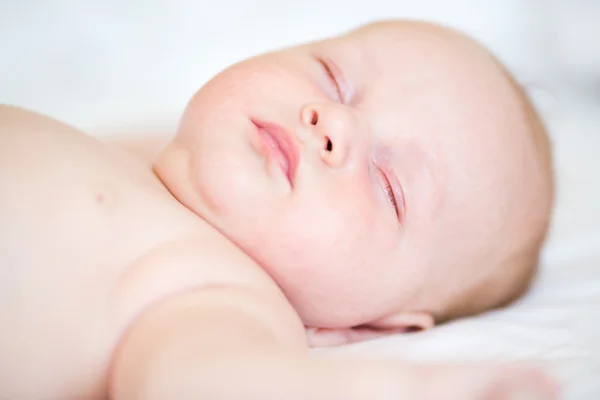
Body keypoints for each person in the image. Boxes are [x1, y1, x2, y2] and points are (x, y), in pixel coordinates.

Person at [0, 20, 556, 399]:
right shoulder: (144, 162)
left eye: (389, 186)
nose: (336, 122)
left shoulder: (218, 294)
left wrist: (397, 388)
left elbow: (204, 381)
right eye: (334, 78)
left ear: (372, 323)